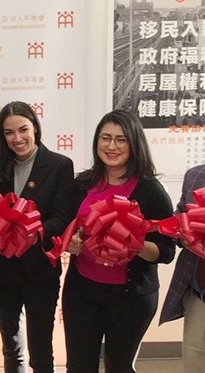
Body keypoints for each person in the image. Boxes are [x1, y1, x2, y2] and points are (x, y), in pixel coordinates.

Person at [62, 110, 175, 373]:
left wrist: (135, 245)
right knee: (78, 366)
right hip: (82, 291)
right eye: (105, 138)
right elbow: (66, 227)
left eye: (121, 140)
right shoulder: (82, 184)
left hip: (131, 298)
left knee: (120, 366)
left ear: (134, 143)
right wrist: (71, 242)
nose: (111, 146)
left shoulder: (151, 191)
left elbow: (167, 251)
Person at [0, 101, 74, 373]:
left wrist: (29, 231)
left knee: (40, 346)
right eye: (9, 133)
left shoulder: (59, 165)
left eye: (23, 129)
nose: (17, 139)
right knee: (10, 345)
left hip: (40, 268)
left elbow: (62, 217)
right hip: (4, 267)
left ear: (35, 128)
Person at [160, 164, 205, 373]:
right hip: (199, 294)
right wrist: (184, 234)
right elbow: (180, 216)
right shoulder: (195, 175)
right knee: (195, 358)